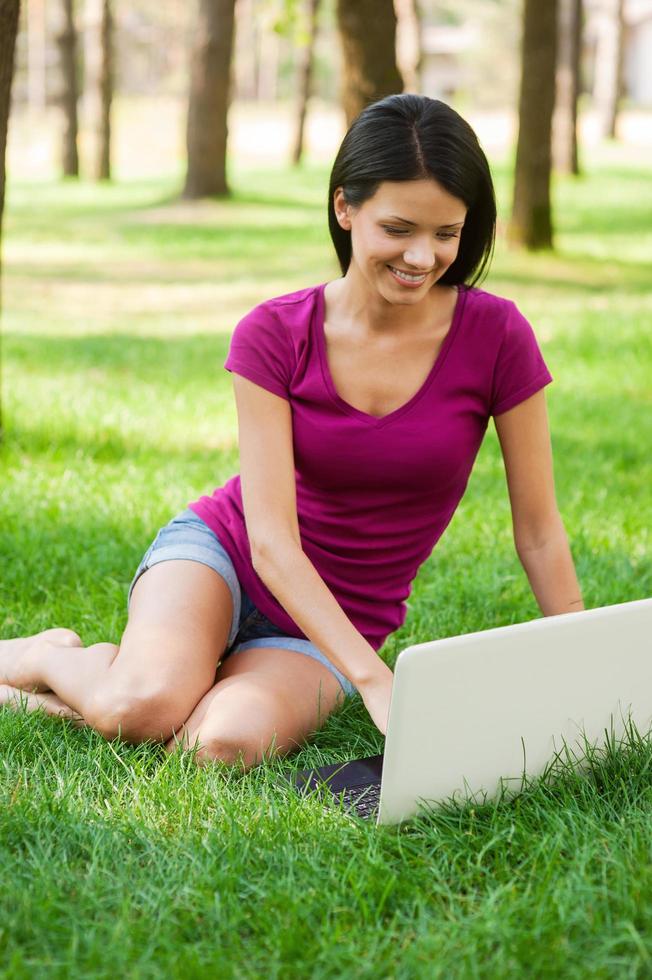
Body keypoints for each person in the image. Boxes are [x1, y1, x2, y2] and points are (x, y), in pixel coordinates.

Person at [0, 94, 584, 767]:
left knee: (219, 747)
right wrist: (373, 678)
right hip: (227, 559)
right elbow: (271, 542)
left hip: (337, 619)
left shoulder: (497, 337)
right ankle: (51, 657)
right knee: (139, 710)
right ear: (345, 208)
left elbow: (539, 532)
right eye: (398, 228)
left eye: (446, 234)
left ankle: (174, 682)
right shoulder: (275, 333)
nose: (422, 257)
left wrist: (579, 669)